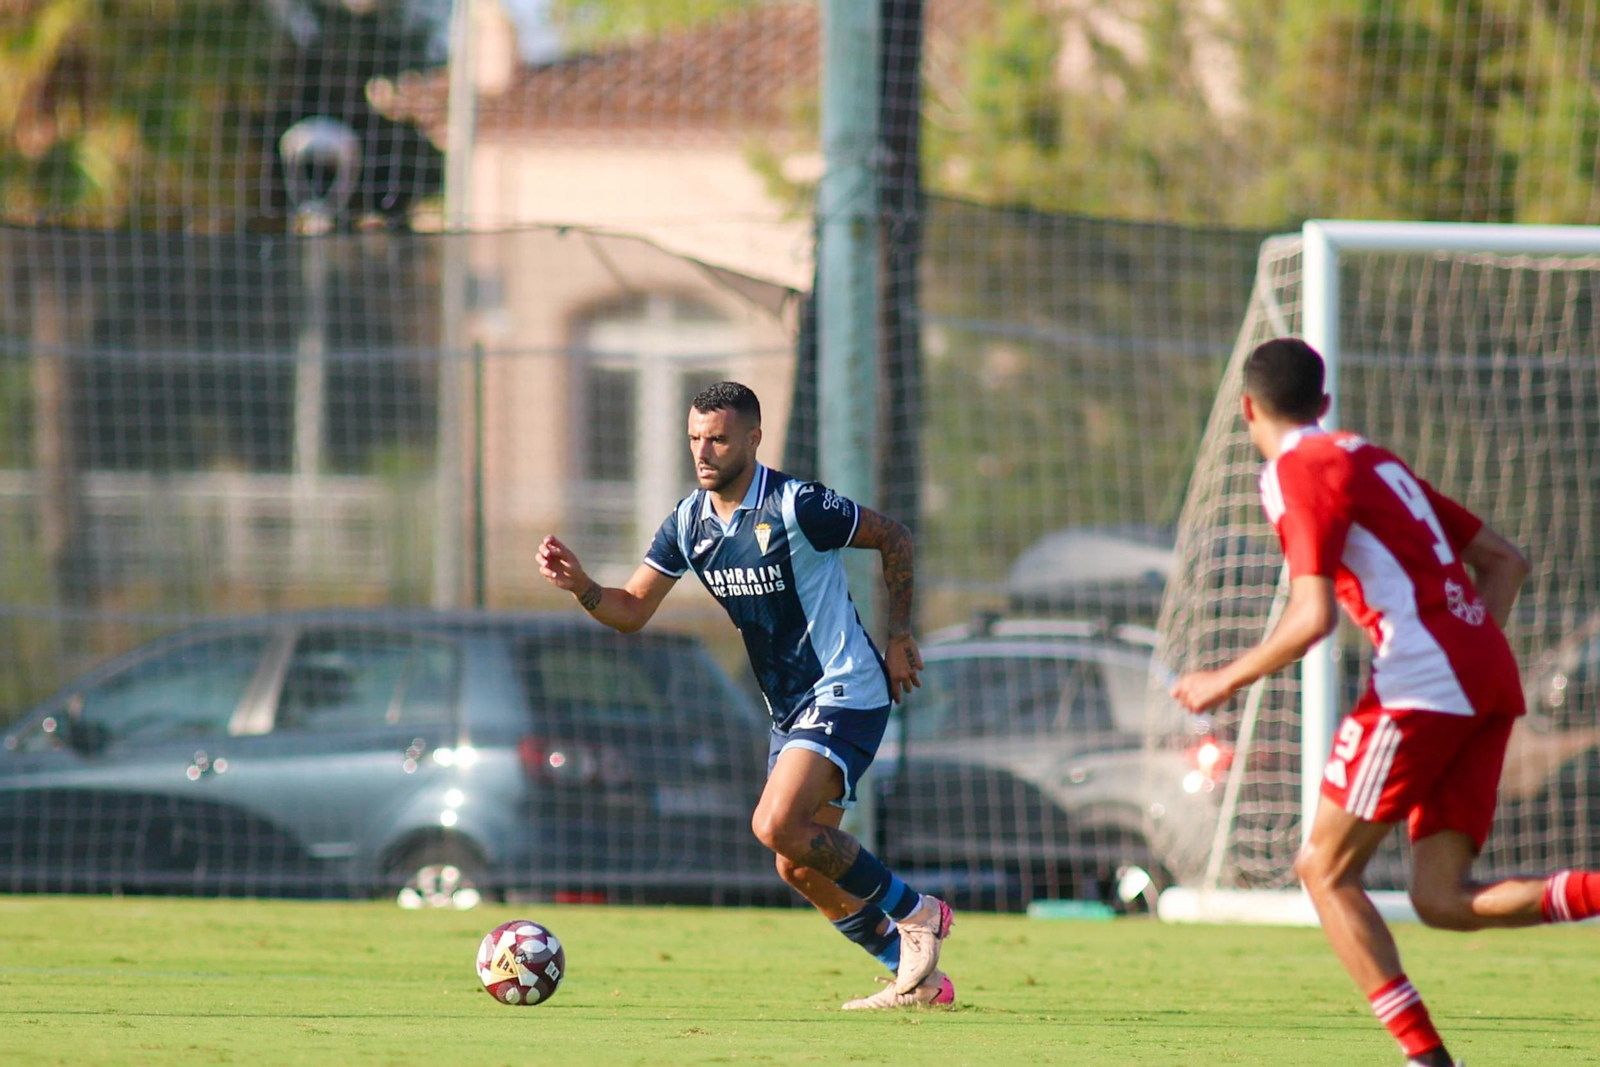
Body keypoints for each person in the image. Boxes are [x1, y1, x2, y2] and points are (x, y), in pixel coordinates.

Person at [1170, 337, 1600, 1067]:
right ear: (1325, 404)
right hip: (1485, 670)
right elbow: (1507, 560)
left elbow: (1312, 616)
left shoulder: (1292, 471)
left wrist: (1222, 680)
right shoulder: (1374, 459)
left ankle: (1427, 1058)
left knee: (1323, 869)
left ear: (1247, 409)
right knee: (1440, 899)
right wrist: (1462, 653)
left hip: (1423, 681)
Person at [538, 381, 954, 1010]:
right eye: (695, 439)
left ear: (754, 439)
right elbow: (631, 610)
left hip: (845, 686)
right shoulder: (688, 523)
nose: (704, 452)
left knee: (774, 824)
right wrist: (584, 587)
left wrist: (898, 634)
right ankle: (915, 978)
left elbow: (894, 535)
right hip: (789, 709)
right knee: (798, 864)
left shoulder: (797, 505)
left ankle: (917, 913)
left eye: (719, 439)